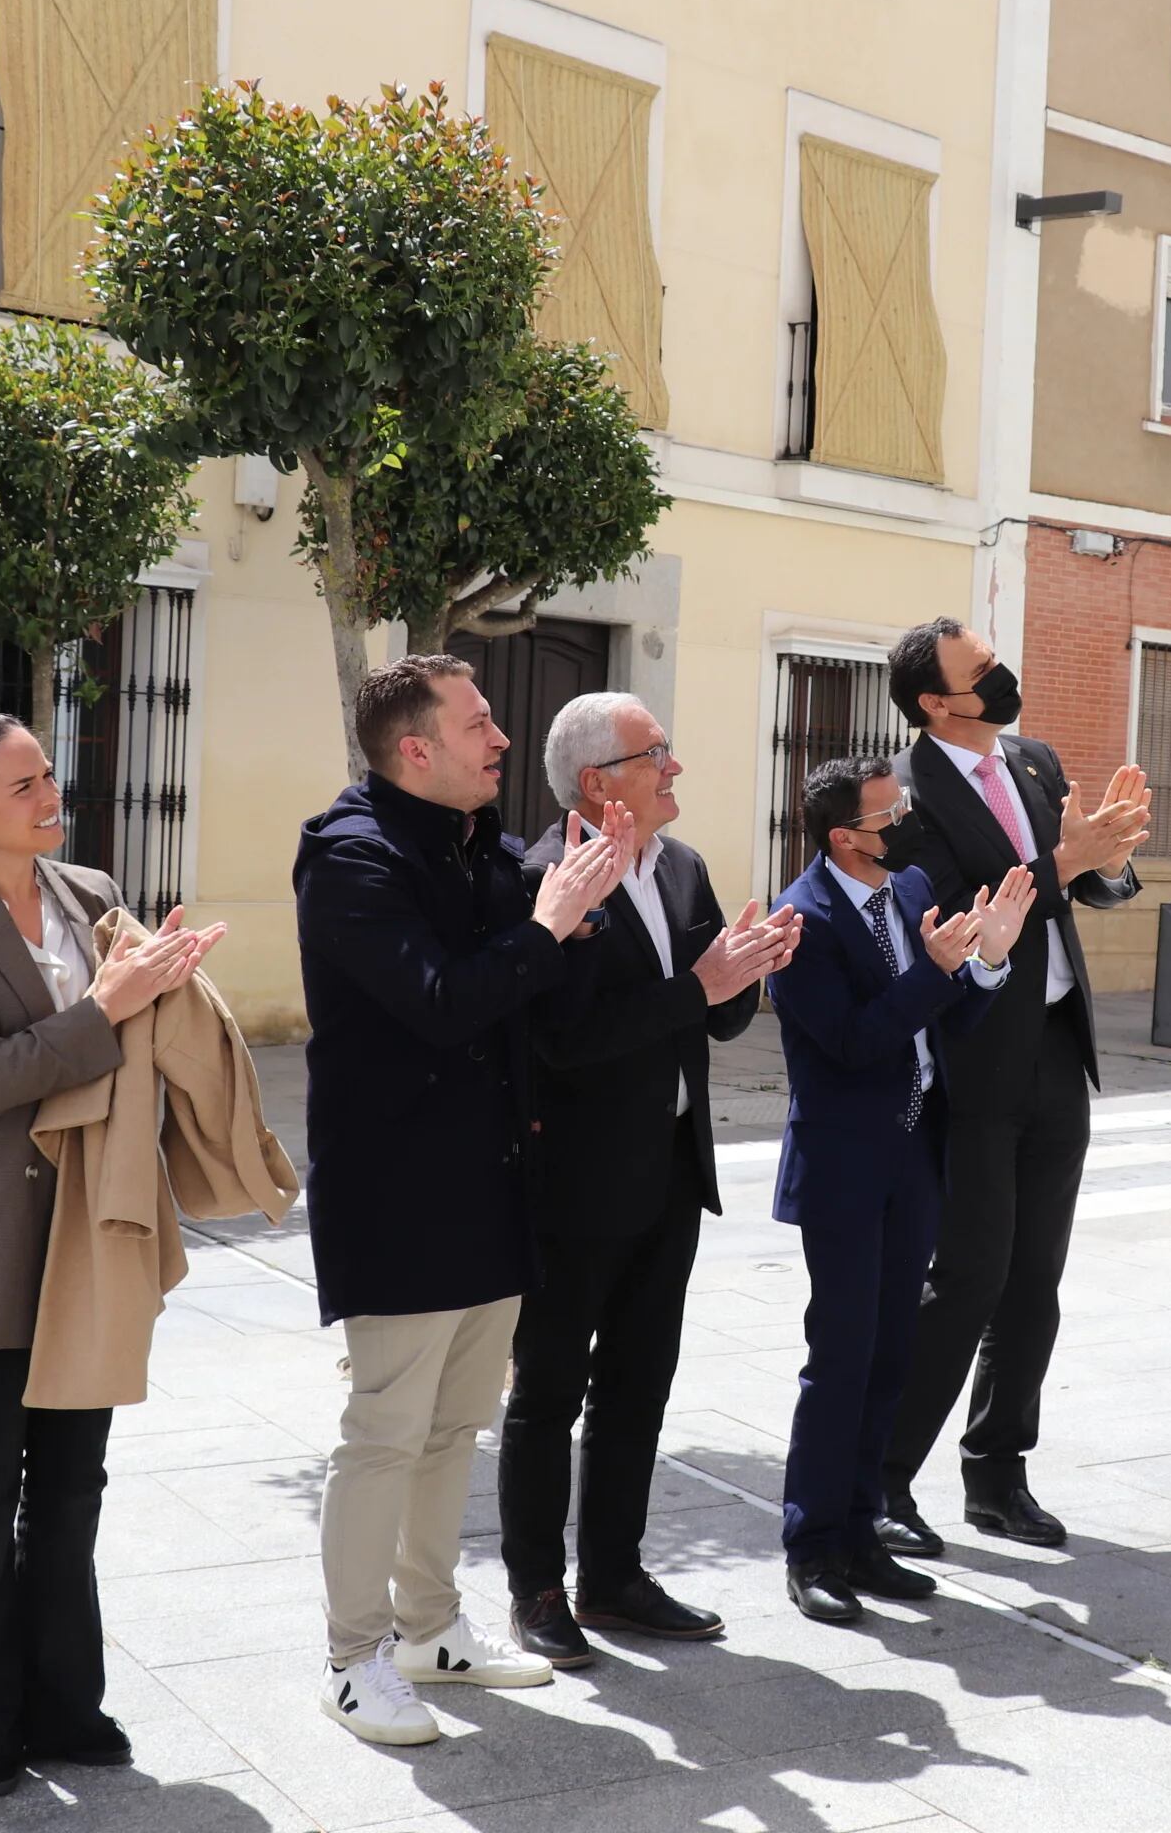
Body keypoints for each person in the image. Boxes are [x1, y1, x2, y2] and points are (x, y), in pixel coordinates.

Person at [294, 655, 631, 1746]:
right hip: (396, 1194)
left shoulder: (477, 844)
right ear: (415, 749)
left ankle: (430, 1628)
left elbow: (537, 1002)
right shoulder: (353, 857)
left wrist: (583, 920)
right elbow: (441, 1004)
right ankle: (354, 1659)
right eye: (480, 723)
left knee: (453, 1428)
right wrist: (544, 927)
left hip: (493, 1185)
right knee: (384, 1433)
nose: (501, 739)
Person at [0, 712, 220, 1799]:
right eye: (22, 782)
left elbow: (125, 1040)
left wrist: (166, 980)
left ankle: (65, 1703)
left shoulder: (87, 890)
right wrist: (112, 1002)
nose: (48, 791)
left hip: (88, 1227)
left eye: (46, 774)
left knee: (73, 1482)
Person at [499, 694, 798, 1667]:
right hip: (573, 1186)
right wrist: (695, 987)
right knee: (549, 1393)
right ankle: (536, 1589)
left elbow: (710, 1019)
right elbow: (563, 1039)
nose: (675, 769)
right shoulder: (543, 879)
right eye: (655, 753)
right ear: (597, 781)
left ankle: (615, 1576)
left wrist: (742, 971)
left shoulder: (684, 867)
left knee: (639, 1388)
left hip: (670, 1175)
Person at [877, 620, 1148, 1555]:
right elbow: (958, 908)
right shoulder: (904, 795)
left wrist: (1108, 859)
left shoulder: (1033, 758)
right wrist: (1065, 863)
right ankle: (882, 1478)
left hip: (1055, 1050)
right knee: (965, 1280)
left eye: (994, 662)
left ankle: (997, 1473)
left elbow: (1088, 887)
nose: (1000, 678)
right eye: (978, 672)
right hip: (973, 1055)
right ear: (933, 704)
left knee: (1036, 1283)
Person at [765, 757, 1033, 1622]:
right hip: (845, 1169)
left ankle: (863, 1531)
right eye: (888, 817)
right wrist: (939, 970)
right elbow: (853, 1040)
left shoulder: (910, 883)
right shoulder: (800, 922)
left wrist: (984, 964)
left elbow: (949, 1016)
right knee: (840, 1357)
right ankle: (812, 1549)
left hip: (917, 1153)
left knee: (891, 1355)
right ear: (844, 837)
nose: (906, 826)